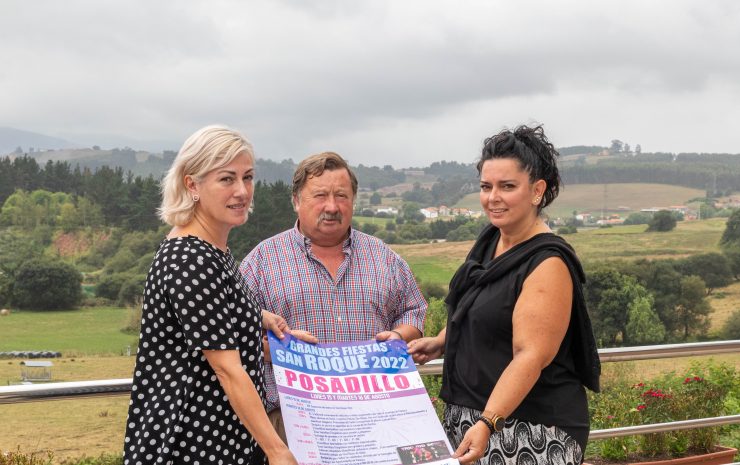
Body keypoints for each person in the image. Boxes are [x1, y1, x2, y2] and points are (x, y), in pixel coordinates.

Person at [408, 125, 601, 465]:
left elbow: (530, 354)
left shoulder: (547, 263)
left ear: (537, 190)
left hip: (530, 430)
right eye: (486, 186)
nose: (492, 197)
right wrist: (442, 340)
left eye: (507, 186)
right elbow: (483, 310)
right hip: (472, 419)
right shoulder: (490, 241)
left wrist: (487, 421)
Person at [123, 125, 297, 465]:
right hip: (191, 441)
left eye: (247, 177)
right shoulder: (190, 260)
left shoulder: (212, 251)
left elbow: (211, 312)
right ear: (192, 185)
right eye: (226, 179)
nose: (242, 191)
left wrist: (262, 321)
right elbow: (227, 370)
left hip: (219, 437)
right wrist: (277, 451)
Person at [240, 151, 428, 442]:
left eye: (341, 196)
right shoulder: (261, 261)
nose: (332, 207)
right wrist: (278, 348)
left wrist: (399, 335)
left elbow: (414, 310)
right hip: (293, 425)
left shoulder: (384, 257)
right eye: (319, 196)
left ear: (353, 201)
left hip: (377, 420)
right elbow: (236, 337)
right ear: (296, 200)